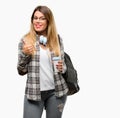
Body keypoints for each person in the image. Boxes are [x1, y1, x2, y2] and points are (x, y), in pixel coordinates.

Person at [17, 5, 69, 118]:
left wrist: (62, 67)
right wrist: (25, 54)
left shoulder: (57, 39)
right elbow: (21, 70)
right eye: (35, 18)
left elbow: (63, 66)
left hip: (57, 92)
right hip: (34, 93)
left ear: (48, 21)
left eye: (42, 18)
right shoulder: (26, 40)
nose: (38, 21)